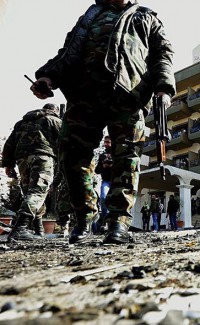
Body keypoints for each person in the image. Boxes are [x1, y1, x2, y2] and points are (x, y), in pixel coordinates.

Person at [30, 0, 175, 244]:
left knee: (126, 157)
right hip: (84, 95)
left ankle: (118, 221)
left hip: (128, 94)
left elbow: (163, 55)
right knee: (71, 153)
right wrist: (48, 76)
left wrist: (164, 88)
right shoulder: (91, 15)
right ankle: (84, 217)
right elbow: (69, 51)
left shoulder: (146, 17)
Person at [2, 103, 62, 241]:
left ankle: (38, 230)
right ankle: (20, 228)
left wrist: (8, 165)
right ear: (54, 111)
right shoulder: (53, 120)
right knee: (38, 192)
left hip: (22, 160)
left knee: (30, 193)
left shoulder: (21, 123)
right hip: (43, 157)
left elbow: (9, 144)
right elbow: (66, 140)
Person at [94, 135, 112, 230]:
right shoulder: (102, 155)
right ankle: (106, 221)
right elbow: (97, 170)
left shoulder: (117, 153)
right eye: (105, 142)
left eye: (108, 142)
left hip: (116, 181)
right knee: (103, 198)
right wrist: (102, 165)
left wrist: (112, 165)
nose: (106, 144)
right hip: (106, 181)